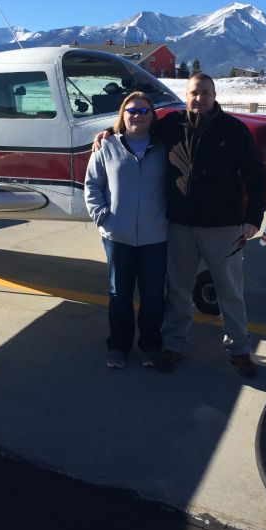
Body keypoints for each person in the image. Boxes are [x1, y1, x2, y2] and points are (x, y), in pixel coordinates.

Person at [94, 73, 266, 378]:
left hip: (223, 228)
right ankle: (173, 346)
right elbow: (136, 125)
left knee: (230, 293)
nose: (198, 98)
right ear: (185, 96)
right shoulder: (171, 125)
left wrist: (253, 218)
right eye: (192, 93)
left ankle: (240, 350)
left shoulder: (235, 131)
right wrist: (109, 131)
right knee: (177, 292)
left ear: (215, 95)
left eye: (204, 93)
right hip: (179, 227)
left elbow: (256, 179)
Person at [85, 92, 167, 370]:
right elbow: (92, 184)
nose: (138, 116)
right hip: (117, 236)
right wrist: (102, 217)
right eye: (132, 110)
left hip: (155, 236)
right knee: (119, 294)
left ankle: (151, 346)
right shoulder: (107, 145)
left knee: (153, 296)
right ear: (123, 114)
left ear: (152, 116)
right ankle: (118, 346)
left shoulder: (164, 147)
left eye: (144, 111)